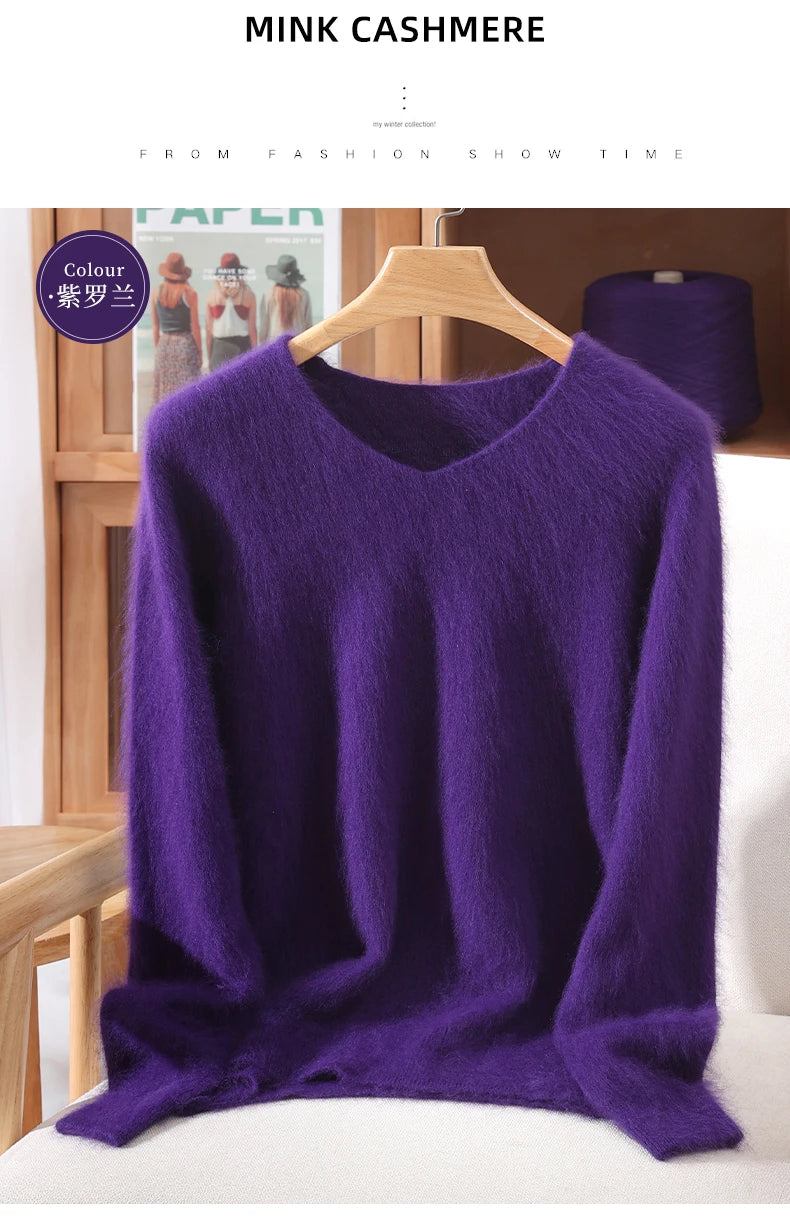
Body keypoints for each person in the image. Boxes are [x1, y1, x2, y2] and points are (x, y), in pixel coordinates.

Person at [150, 253, 202, 404]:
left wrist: (158, 349)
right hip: (185, 344)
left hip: (164, 344)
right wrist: (200, 351)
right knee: (188, 394)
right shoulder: (190, 293)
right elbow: (195, 327)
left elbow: (155, 327)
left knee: (164, 394)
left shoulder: (155, 293)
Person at [206, 253, 258, 371]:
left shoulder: (211, 295)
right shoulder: (248, 295)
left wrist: (210, 357)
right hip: (242, 347)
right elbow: (252, 330)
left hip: (219, 348)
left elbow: (209, 331)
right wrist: (256, 355)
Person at [259, 253, 313, 342]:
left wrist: (263, 346)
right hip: (299, 345)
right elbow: (309, 327)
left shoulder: (268, 295)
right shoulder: (304, 295)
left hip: (274, 346)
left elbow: (264, 328)